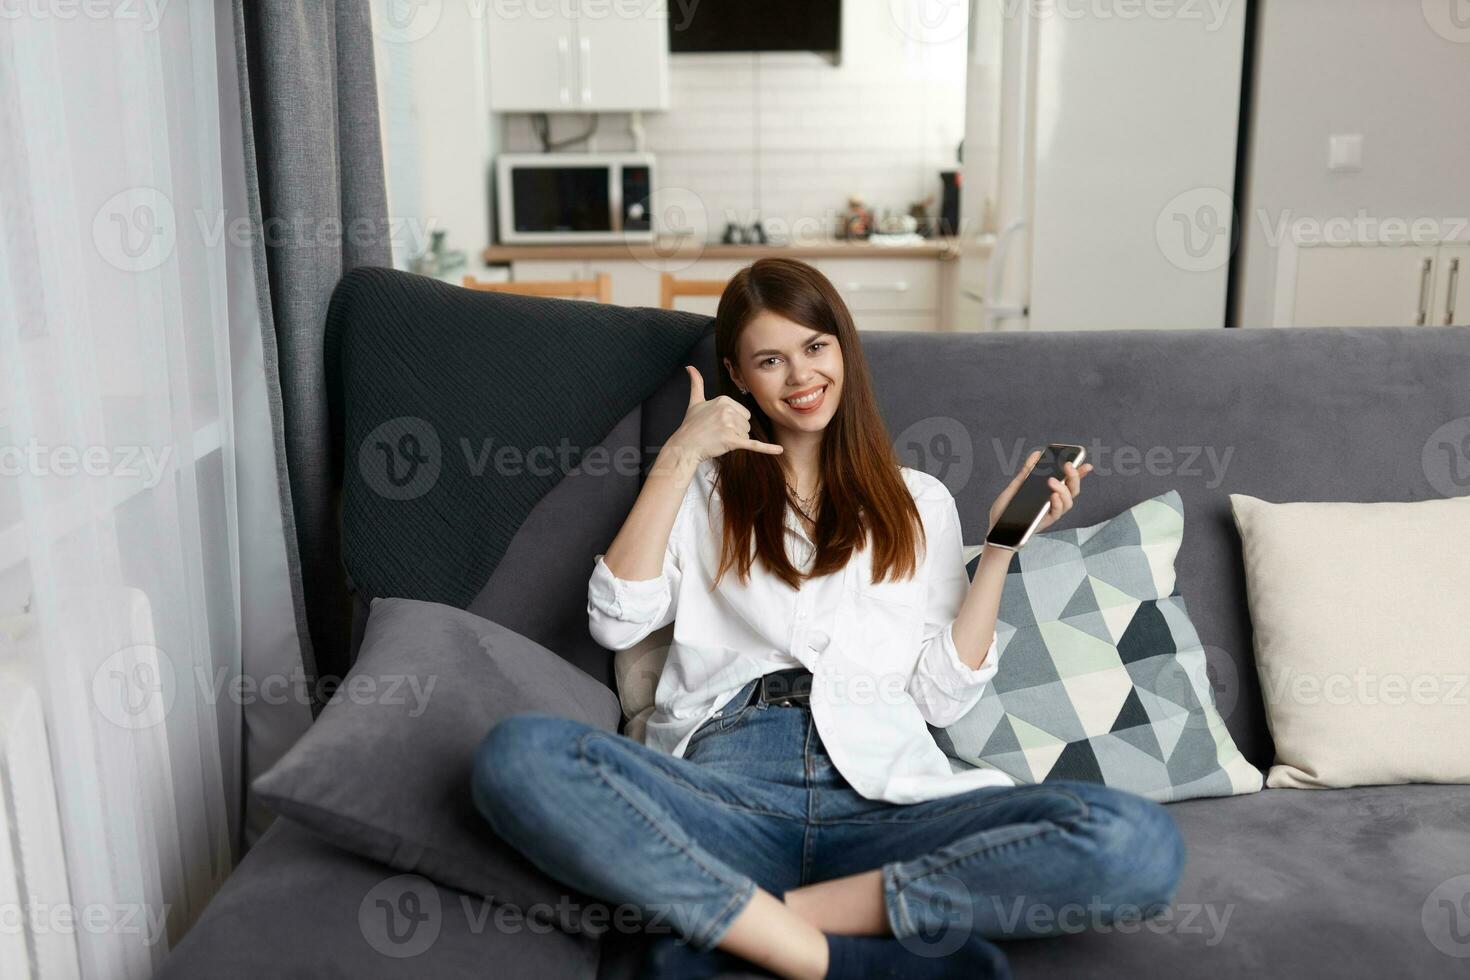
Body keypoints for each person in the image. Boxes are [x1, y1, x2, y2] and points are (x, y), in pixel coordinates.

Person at [472, 258, 1185, 979]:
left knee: (1136, 841)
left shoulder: (919, 501)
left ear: (843, 349)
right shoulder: (704, 488)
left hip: (887, 800)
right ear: (738, 376)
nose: (800, 376)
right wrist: (681, 455)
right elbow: (615, 621)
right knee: (519, 757)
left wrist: (997, 553)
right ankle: (836, 957)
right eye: (770, 360)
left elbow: (940, 698)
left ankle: (768, 925)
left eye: (815, 347)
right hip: (729, 790)